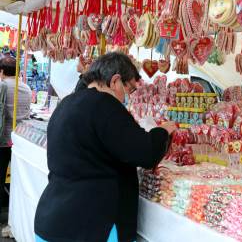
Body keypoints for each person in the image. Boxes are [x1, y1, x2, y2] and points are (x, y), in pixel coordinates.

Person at [34, 52, 176, 242]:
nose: (129, 97)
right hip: (91, 225)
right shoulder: (105, 104)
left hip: (54, 218)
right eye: (130, 90)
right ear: (115, 81)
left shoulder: (67, 103)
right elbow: (145, 152)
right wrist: (163, 132)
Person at [0, 57, 31, 211]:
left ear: (2, 71)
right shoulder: (26, 88)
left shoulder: (2, 86)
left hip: (3, 138)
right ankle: (16, 211)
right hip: (21, 138)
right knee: (18, 178)